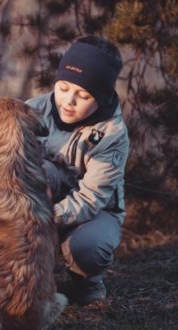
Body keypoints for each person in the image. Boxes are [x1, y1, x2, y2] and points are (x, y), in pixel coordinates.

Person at [26, 35, 129, 306]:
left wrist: (41, 220)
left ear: (102, 96)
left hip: (92, 213)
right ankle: (22, 277)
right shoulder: (32, 110)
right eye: (63, 87)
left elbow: (90, 199)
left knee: (89, 247)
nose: (68, 101)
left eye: (83, 95)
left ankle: (88, 284)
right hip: (38, 201)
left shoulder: (112, 135)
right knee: (42, 171)